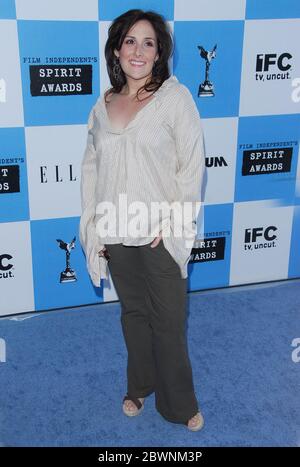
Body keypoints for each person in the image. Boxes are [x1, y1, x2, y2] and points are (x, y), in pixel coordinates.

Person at [79, 9, 205, 431]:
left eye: (148, 42)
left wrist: (172, 224)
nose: (138, 50)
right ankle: (139, 386)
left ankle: (179, 404)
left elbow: (191, 168)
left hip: (158, 237)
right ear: (117, 49)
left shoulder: (175, 98)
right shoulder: (104, 104)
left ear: (159, 52)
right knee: (133, 315)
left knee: (168, 322)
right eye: (130, 41)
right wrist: (94, 225)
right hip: (116, 233)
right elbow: (92, 170)